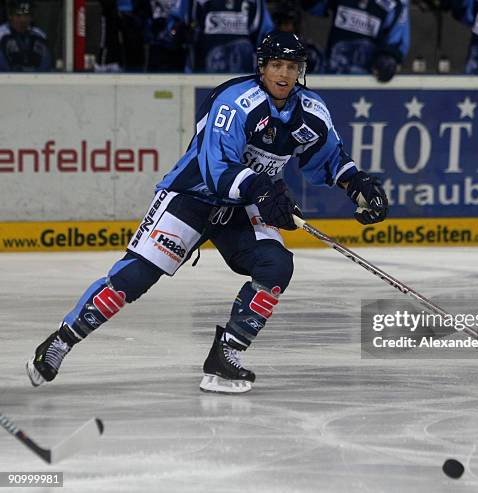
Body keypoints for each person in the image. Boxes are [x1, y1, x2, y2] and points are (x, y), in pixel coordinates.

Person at [26, 31, 389, 394]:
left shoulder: (310, 110)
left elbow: (327, 159)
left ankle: (225, 355)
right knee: (133, 277)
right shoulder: (236, 102)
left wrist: (357, 184)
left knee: (276, 264)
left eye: (292, 67)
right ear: (262, 67)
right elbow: (216, 169)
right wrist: (262, 190)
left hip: (242, 206)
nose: (284, 74)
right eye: (277, 65)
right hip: (193, 196)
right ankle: (60, 340)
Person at [302, 0, 410, 82]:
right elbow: (313, 8)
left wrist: (389, 57)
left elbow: (397, 41)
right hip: (331, 75)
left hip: (365, 81)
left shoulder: (395, 4)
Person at [187, 0, 274, 73]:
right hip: (207, 64)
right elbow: (190, 26)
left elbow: (263, 31)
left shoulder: (255, 2)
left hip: (243, 66)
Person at [0, 0, 52, 72]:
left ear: (32, 17)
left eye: (26, 15)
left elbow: (46, 65)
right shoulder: (1, 34)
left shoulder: (39, 36)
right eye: (18, 15)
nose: (23, 20)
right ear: (10, 16)